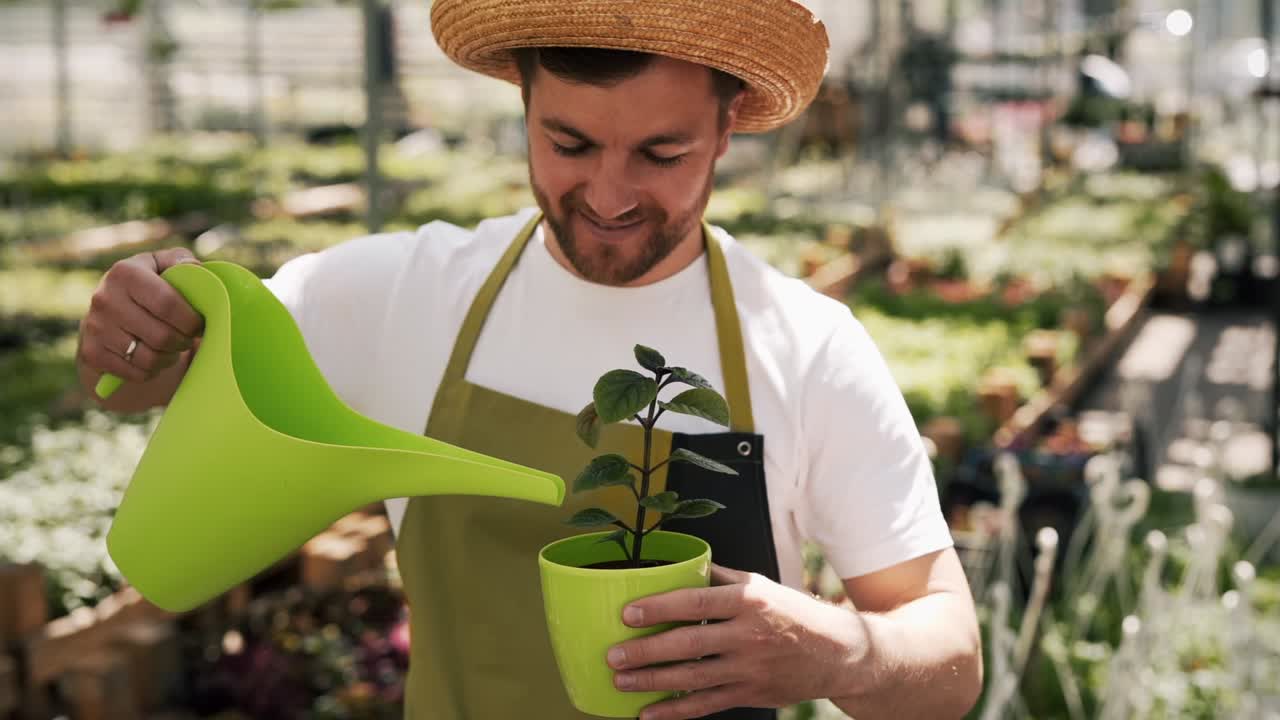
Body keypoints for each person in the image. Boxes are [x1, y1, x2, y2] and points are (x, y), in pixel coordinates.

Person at [75, 1, 983, 718]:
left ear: (730, 121)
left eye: (661, 153)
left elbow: (951, 659)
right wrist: (138, 327)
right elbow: (154, 386)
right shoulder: (401, 294)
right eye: (568, 144)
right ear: (522, 100)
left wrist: (835, 654)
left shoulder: (806, 346)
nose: (610, 195)